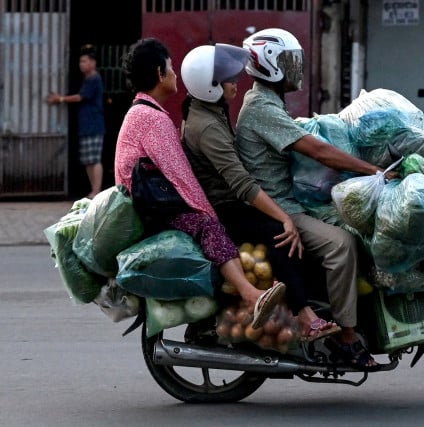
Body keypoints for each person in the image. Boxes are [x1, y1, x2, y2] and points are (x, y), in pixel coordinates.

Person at [236, 28, 397, 370]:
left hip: (290, 201)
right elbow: (318, 150)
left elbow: (307, 135)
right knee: (342, 245)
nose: (295, 68)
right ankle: (348, 339)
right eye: (287, 62)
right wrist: (372, 170)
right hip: (281, 208)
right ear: (269, 66)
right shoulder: (260, 107)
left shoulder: (267, 103)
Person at [114, 38, 285, 330]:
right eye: (170, 67)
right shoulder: (151, 118)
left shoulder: (144, 111)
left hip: (151, 204)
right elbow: (182, 179)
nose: (175, 74)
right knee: (208, 226)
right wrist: (210, 214)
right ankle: (250, 294)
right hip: (154, 211)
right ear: (159, 73)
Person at [180, 44, 340, 342]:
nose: (235, 82)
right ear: (210, 87)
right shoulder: (207, 128)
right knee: (279, 232)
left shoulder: (209, 110)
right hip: (225, 207)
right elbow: (240, 183)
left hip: (231, 201)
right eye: (228, 79)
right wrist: (285, 218)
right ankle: (306, 317)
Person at [47, 44, 105, 199]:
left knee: (94, 158)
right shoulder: (88, 79)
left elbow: (80, 97)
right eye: (80, 62)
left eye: (85, 61)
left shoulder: (94, 79)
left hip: (94, 124)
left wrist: (60, 98)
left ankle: (97, 190)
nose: (82, 64)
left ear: (93, 63)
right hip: (86, 125)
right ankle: (94, 189)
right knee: (88, 160)